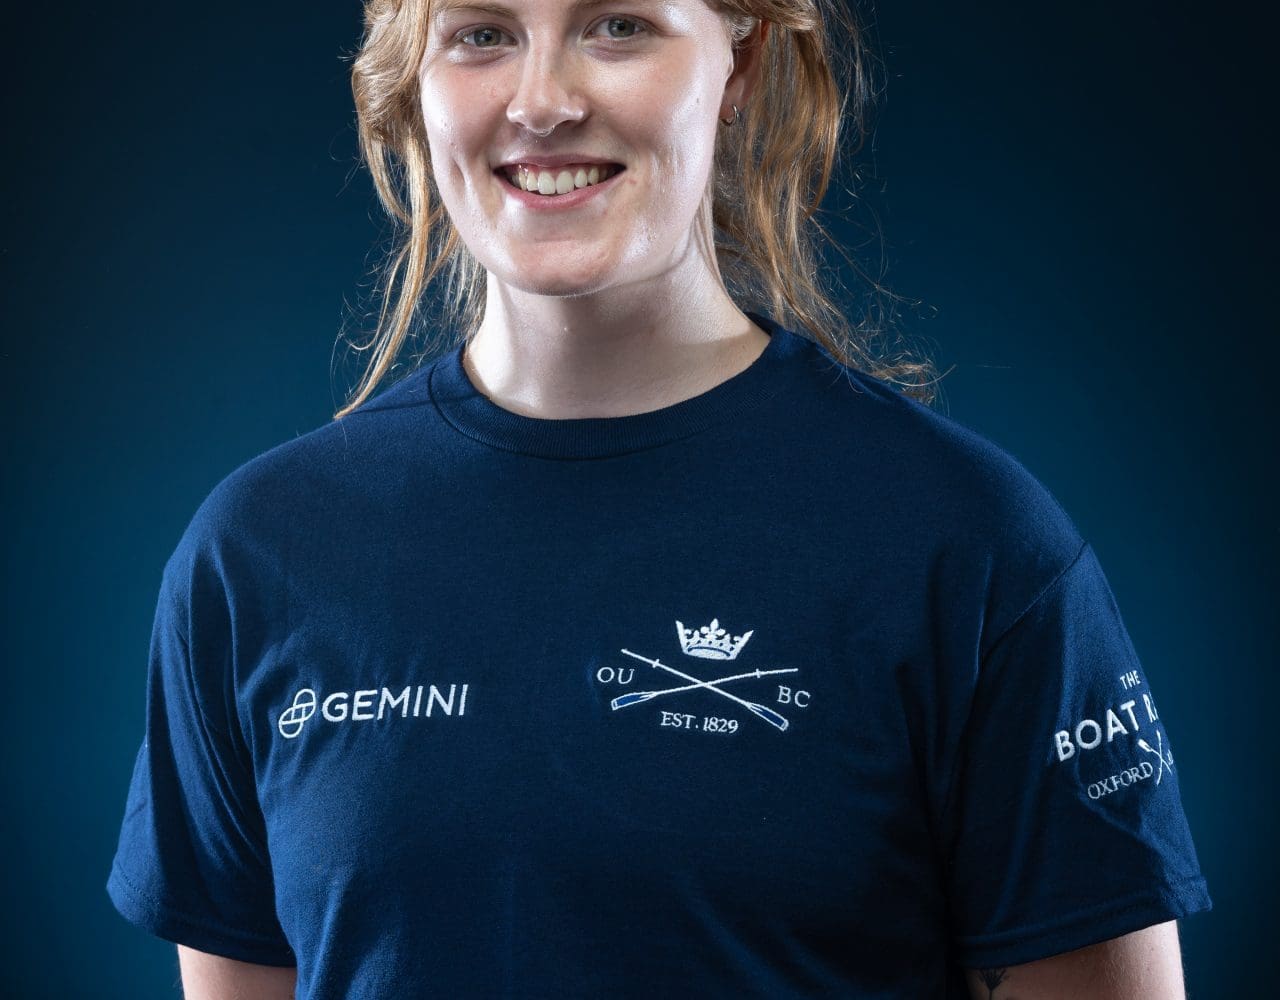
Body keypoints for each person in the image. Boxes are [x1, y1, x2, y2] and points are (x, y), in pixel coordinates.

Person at [105, 0, 1212, 996]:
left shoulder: (969, 544)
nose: (541, 102)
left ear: (740, 61)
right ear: (414, 81)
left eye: (618, 25)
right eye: (482, 34)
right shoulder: (258, 553)